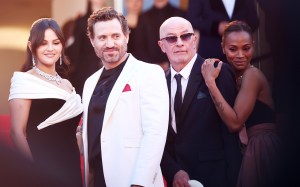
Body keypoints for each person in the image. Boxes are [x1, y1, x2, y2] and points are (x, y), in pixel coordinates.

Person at [81, 7, 169, 187]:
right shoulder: (89, 82)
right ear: (92, 41)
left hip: (132, 179)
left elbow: (155, 133)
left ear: (127, 37)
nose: (110, 43)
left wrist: (140, 182)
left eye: (115, 36)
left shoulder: (149, 73)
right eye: (102, 37)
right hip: (97, 178)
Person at [158, 17, 242, 187]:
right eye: (172, 38)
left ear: (194, 40)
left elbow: (231, 135)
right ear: (162, 45)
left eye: (186, 36)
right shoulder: (158, 82)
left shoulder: (218, 70)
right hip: (179, 180)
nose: (180, 43)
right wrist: (173, 171)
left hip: (216, 178)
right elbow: (159, 138)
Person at [201, 20, 282, 187]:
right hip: (250, 148)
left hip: (262, 148)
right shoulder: (232, 77)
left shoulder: (253, 75)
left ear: (253, 46)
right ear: (222, 47)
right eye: (233, 49)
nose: (240, 55)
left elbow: (235, 123)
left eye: (246, 48)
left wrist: (210, 83)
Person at [8, 18, 83, 187]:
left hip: (71, 167)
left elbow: (68, 133)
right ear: (31, 47)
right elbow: (16, 133)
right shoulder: (24, 80)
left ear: (62, 46)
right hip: (42, 168)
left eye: (55, 43)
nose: (50, 48)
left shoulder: (67, 84)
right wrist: (34, 172)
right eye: (43, 43)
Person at [186, 0, 259, 63]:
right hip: (211, 52)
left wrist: (240, 28)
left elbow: (254, 21)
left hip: (239, 55)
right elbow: (192, 19)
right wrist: (216, 27)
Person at [66, 0, 106, 96]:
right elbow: (75, 50)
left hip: (108, 67)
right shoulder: (81, 21)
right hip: (87, 70)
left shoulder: (113, 19)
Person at [134, 0, 186, 71]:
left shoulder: (181, 14)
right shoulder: (143, 17)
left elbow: (184, 43)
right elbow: (139, 46)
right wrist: (154, 65)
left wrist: (169, 63)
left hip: (177, 68)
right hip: (150, 69)